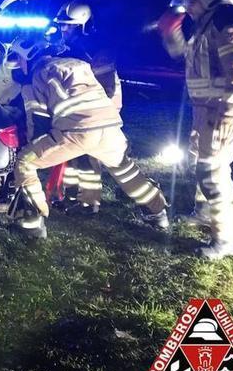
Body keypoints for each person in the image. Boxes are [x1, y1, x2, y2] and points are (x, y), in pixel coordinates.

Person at [10, 43, 169, 239]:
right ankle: (157, 212)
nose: (18, 63)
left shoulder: (37, 77)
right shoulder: (77, 63)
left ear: (29, 56)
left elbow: (38, 122)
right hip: (110, 127)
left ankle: (32, 224)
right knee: (125, 170)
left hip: (77, 132)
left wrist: (34, 147)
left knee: (25, 162)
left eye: (19, 58)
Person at [157, 0, 233, 259]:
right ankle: (204, 212)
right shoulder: (206, 23)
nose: (187, 8)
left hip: (221, 110)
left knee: (212, 171)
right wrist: (170, 31)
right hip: (205, 109)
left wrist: (226, 112)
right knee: (201, 162)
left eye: (190, 2)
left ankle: (226, 238)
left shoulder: (227, 22)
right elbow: (182, 56)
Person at [50, 1, 123, 214]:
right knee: (72, 152)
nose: (63, 29)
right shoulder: (69, 49)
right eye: (62, 25)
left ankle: (90, 203)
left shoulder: (98, 52)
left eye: (69, 26)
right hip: (77, 110)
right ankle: (71, 195)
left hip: (97, 111)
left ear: (84, 26)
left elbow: (106, 89)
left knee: (89, 156)